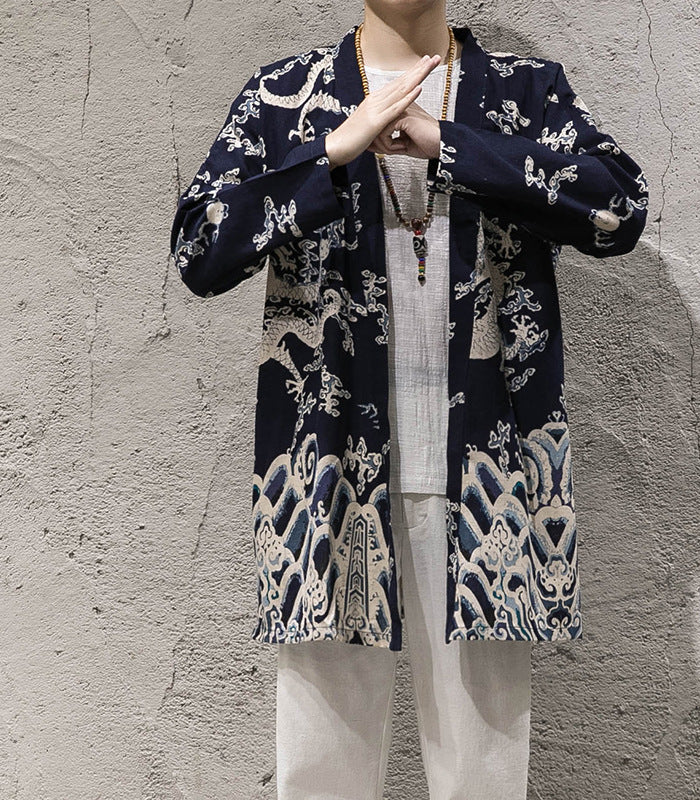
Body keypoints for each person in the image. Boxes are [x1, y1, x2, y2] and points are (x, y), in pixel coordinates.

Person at [169, 2, 648, 797]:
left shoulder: (525, 91)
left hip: (492, 482)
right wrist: (331, 153)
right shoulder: (289, 94)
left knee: (483, 774)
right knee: (320, 774)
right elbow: (199, 249)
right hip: (323, 479)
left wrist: (448, 144)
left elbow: (619, 210)